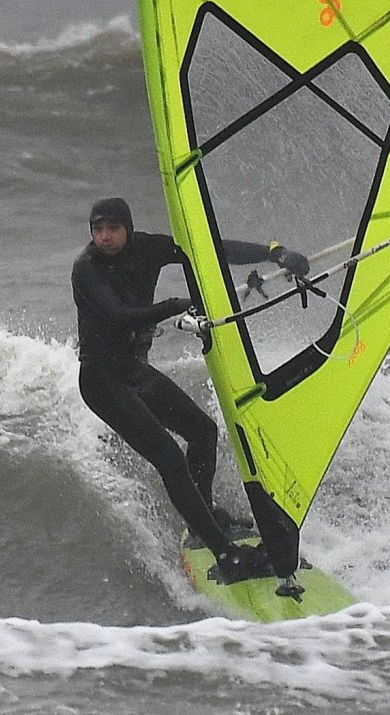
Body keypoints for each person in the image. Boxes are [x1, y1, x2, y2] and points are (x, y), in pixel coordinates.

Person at [71, 195, 311, 582]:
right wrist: (177, 305)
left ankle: (206, 518)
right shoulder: (86, 269)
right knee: (169, 458)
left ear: (127, 229)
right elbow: (117, 318)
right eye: (97, 230)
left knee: (203, 432)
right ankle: (226, 554)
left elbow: (207, 249)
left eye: (112, 228)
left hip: (133, 370)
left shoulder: (147, 247)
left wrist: (274, 253)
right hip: (101, 380)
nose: (104, 237)